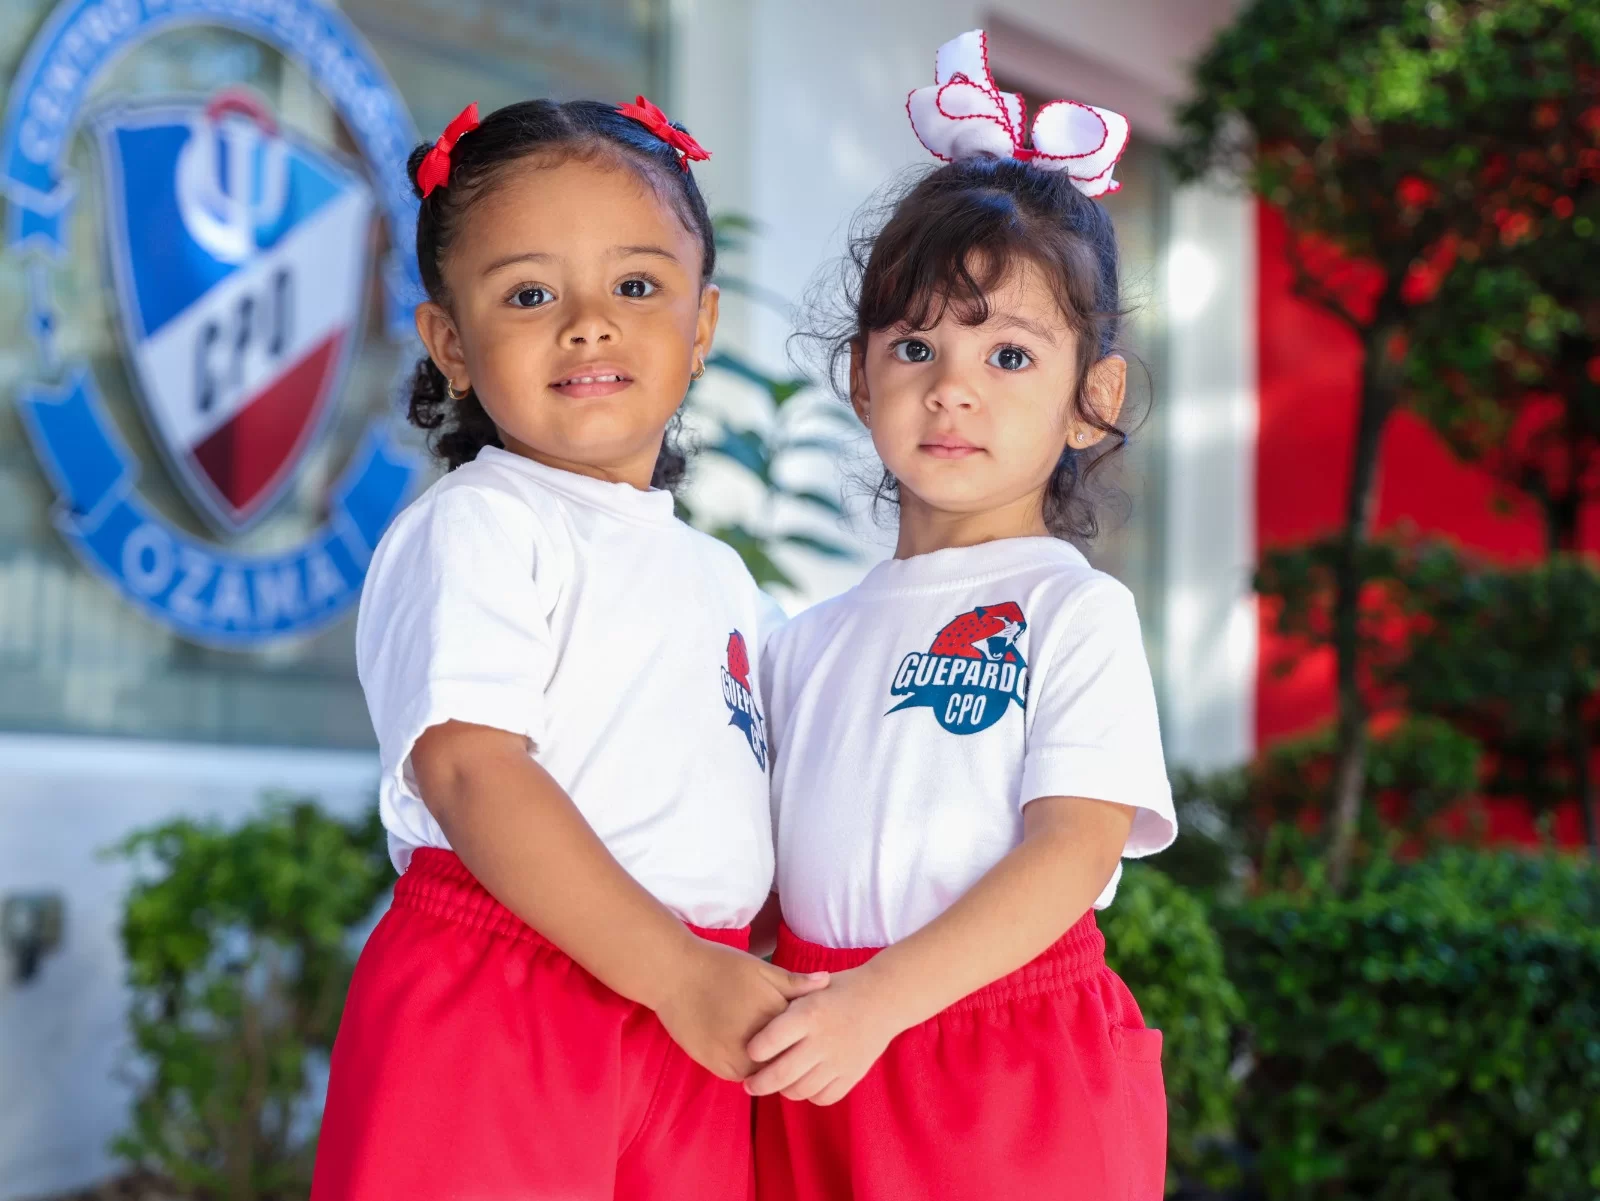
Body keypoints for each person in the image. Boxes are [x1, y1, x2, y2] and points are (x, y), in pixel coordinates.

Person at [311, 96, 826, 1201]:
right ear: (451, 343)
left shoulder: (722, 578)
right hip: (509, 988)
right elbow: (469, 767)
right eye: (530, 294)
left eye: (635, 286)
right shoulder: (483, 523)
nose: (589, 324)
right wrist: (675, 971)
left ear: (700, 325)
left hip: (691, 1011)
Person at [748, 31, 1177, 1201]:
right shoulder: (799, 642)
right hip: (821, 1047)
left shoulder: (1073, 611)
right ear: (860, 378)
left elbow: (1072, 848)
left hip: (1004, 1056)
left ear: (1093, 399)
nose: (952, 387)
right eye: (915, 344)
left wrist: (879, 1003)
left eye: (1009, 355)